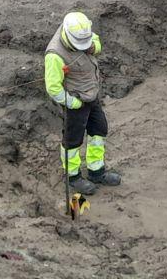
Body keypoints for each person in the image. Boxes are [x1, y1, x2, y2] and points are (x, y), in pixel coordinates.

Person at [44, 10, 119, 195]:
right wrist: (71, 103)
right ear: (68, 36)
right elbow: (53, 87)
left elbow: (96, 43)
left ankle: (96, 171)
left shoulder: (81, 29)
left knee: (99, 130)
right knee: (73, 140)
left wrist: (93, 47)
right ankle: (73, 176)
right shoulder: (54, 55)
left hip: (92, 96)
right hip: (76, 101)